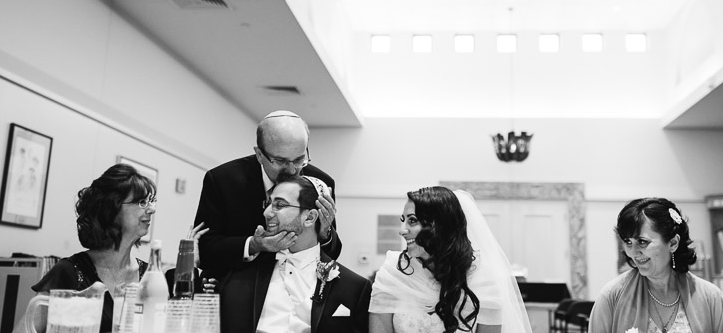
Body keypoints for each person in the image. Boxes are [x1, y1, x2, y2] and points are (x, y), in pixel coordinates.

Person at [194, 110, 341, 281]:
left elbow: (332, 254)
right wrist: (254, 245)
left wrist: (325, 234)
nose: (293, 170)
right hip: (235, 287)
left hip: (299, 288)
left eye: (299, 159)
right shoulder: (223, 180)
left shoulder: (319, 182)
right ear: (259, 154)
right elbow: (205, 249)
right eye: (280, 161)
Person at [219, 174, 372, 333]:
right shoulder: (240, 276)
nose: (267, 212)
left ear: (310, 217)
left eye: (279, 205)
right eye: (269, 203)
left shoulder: (354, 287)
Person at [369, 186, 533, 333]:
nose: (402, 230)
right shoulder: (392, 273)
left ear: (439, 225)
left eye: (412, 220)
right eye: (403, 221)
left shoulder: (483, 279)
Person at [18, 163, 156, 333]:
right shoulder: (70, 272)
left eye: (151, 201)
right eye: (142, 202)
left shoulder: (150, 277)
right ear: (111, 208)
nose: (152, 209)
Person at [588, 197, 723, 333]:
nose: (633, 252)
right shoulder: (612, 296)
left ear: (673, 243)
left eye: (642, 242)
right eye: (628, 242)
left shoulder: (711, 298)